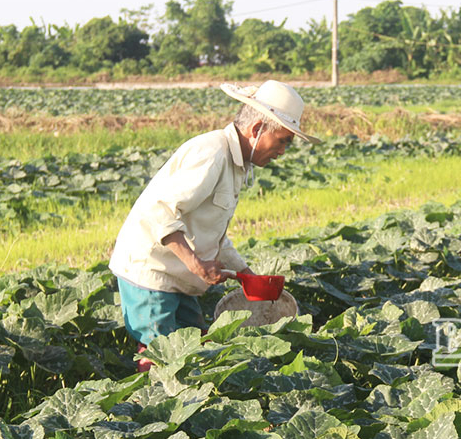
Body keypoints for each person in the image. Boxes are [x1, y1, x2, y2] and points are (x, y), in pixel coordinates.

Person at [108, 80, 321, 371]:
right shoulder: (212, 153)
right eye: (283, 140)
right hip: (152, 271)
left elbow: (212, 232)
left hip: (177, 275)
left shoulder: (236, 163)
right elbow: (161, 211)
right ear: (258, 129)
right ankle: (148, 396)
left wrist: (246, 273)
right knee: (161, 355)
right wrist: (197, 265)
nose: (282, 151)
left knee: (194, 343)